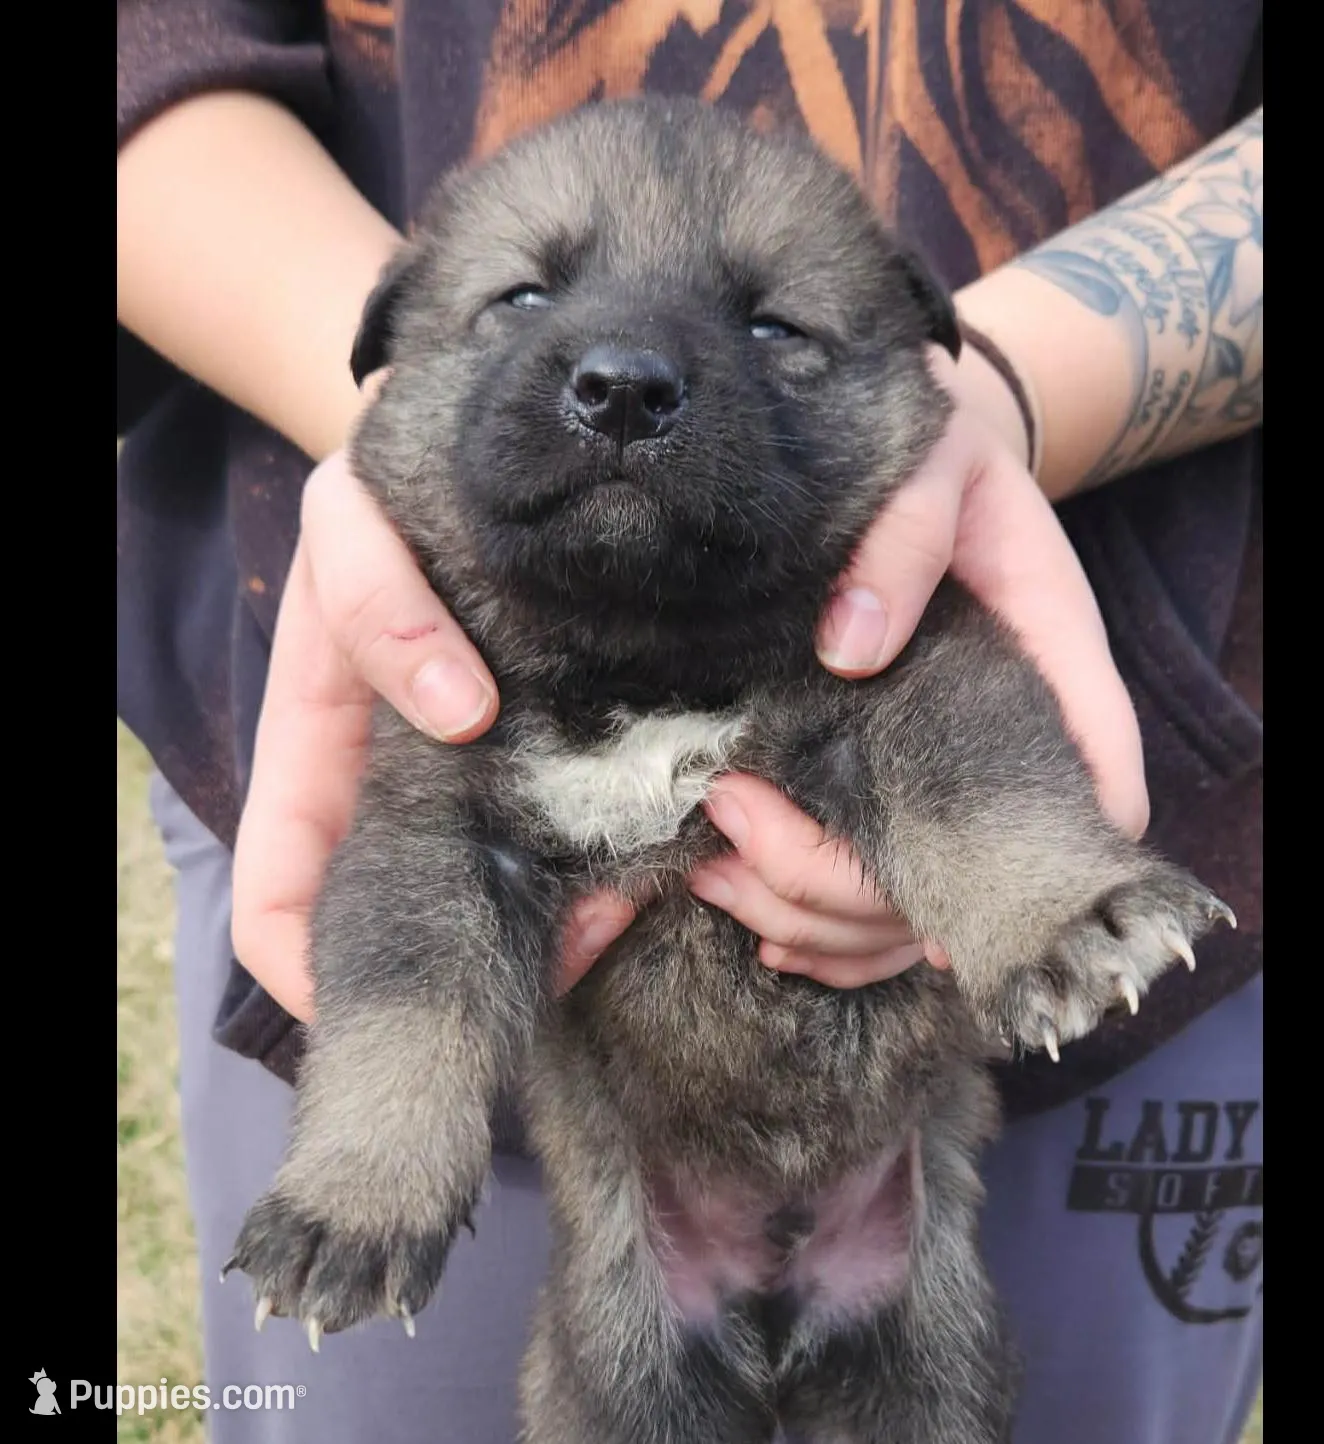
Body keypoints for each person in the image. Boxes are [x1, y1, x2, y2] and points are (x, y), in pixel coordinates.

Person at [117, 4, 1262, 1442]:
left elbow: (953, 744)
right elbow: (423, 907)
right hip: (589, 1163)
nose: (624, 372)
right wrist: (372, 1168)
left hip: (1128, 873)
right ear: (397, 342)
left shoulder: (873, 621)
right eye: (523, 305)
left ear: (917, 361)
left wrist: (1041, 904)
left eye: (775, 328)